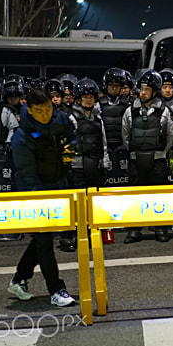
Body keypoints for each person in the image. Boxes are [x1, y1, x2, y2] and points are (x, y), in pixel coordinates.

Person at [7, 87, 77, 307]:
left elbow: (73, 139)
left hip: (57, 183)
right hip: (33, 191)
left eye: (48, 108)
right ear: (29, 108)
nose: (45, 114)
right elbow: (26, 174)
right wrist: (40, 200)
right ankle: (56, 290)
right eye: (39, 110)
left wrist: (70, 152)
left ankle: (19, 279)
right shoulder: (22, 136)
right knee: (44, 239)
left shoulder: (61, 118)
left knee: (41, 240)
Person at [121, 70, 173, 243]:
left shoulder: (166, 111)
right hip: (135, 158)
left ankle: (160, 228)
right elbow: (125, 134)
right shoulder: (130, 111)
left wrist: (160, 152)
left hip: (157, 158)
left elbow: (171, 135)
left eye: (147, 89)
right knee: (135, 196)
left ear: (155, 91)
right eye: (141, 89)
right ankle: (134, 230)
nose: (143, 92)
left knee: (159, 195)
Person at [60, 78, 111, 252]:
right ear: (78, 98)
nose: (89, 100)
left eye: (91, 97)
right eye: (85, 97)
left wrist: (105, 162)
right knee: (74, 204)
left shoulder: (98, 119)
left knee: (92, 203)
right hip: (76, 166)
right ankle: (68, 237)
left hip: (94, 164)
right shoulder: (71, 118)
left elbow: (103, 143)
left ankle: (92, 234)